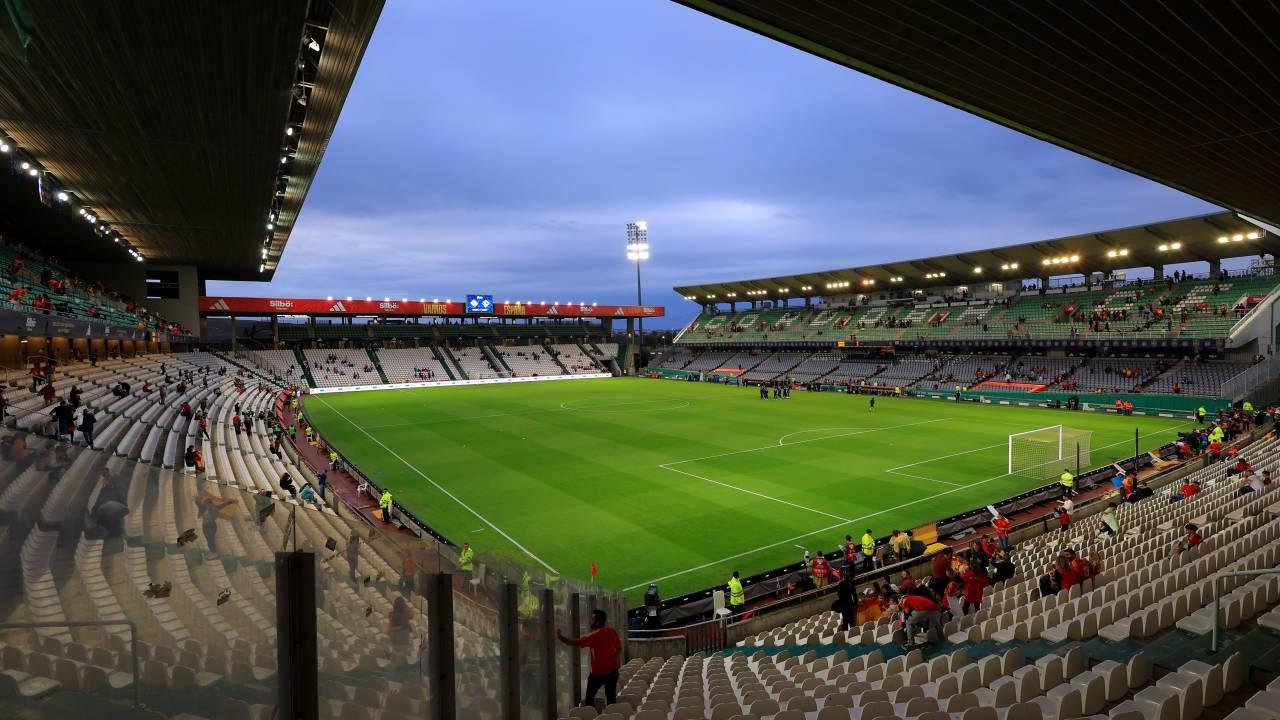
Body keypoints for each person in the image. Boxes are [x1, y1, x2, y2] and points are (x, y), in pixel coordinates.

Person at [557, 610, 621, 708]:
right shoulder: (612, 632)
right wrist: (615, 661)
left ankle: (590, 715)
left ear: (598, 621)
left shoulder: (594, 636)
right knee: (611, 698)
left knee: (589, 699)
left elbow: (577, 642)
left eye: (593, 619)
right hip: (612, 671)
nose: (591, 621)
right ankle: (611, 715)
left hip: (598, 673)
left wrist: (561, 638)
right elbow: (619, 648)